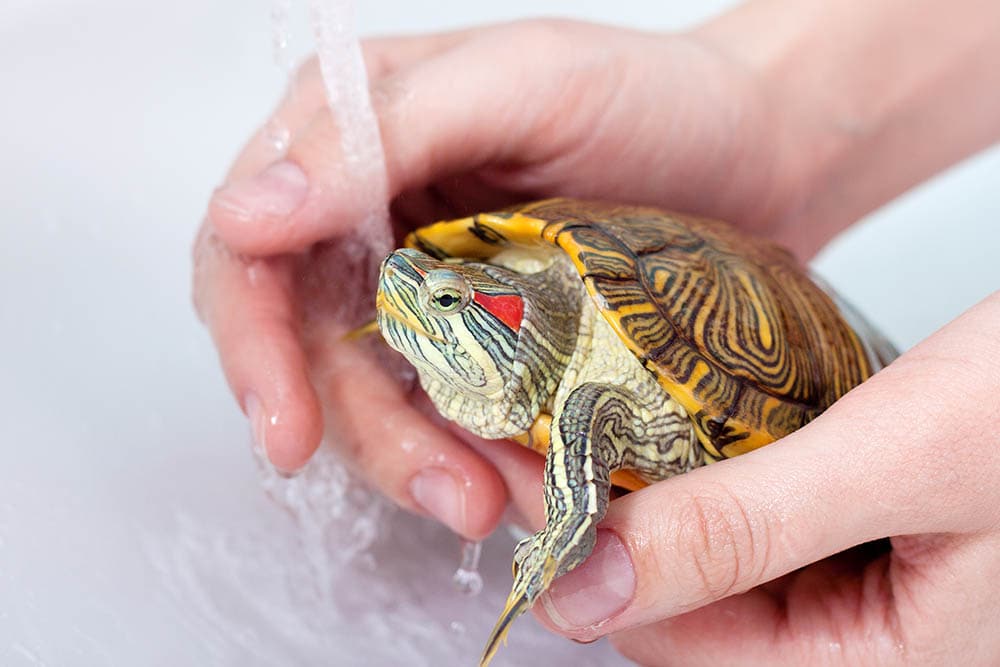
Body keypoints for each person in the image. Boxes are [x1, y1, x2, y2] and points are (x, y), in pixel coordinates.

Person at [192, 1, 1000, 664]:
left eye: (446, 303)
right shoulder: (520, 272)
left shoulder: (593, 391)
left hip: (819, 384)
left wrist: (564, 527)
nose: (401, 281)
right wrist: (766, 98)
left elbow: (591, 416)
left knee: (589, 416)